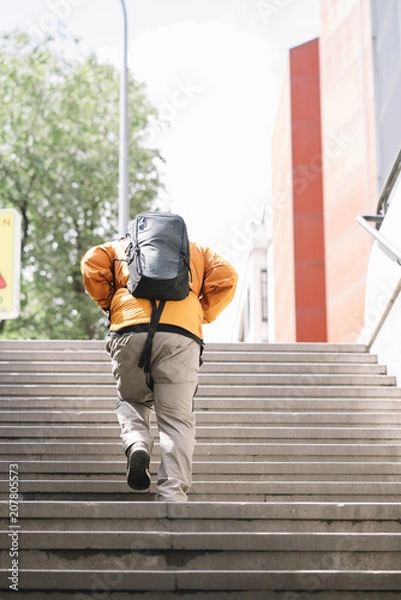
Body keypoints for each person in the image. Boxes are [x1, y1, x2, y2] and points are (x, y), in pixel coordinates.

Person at [80, 221, 238, 502]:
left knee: (132, 400)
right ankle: (171, 495)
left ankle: (137, 442)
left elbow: (91, 263)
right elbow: (227, 277)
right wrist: (201, 311)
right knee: (176, 420)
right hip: (180, 335)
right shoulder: (195, 251)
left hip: (130, 330)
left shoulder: (118, 248)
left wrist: (111, 303)